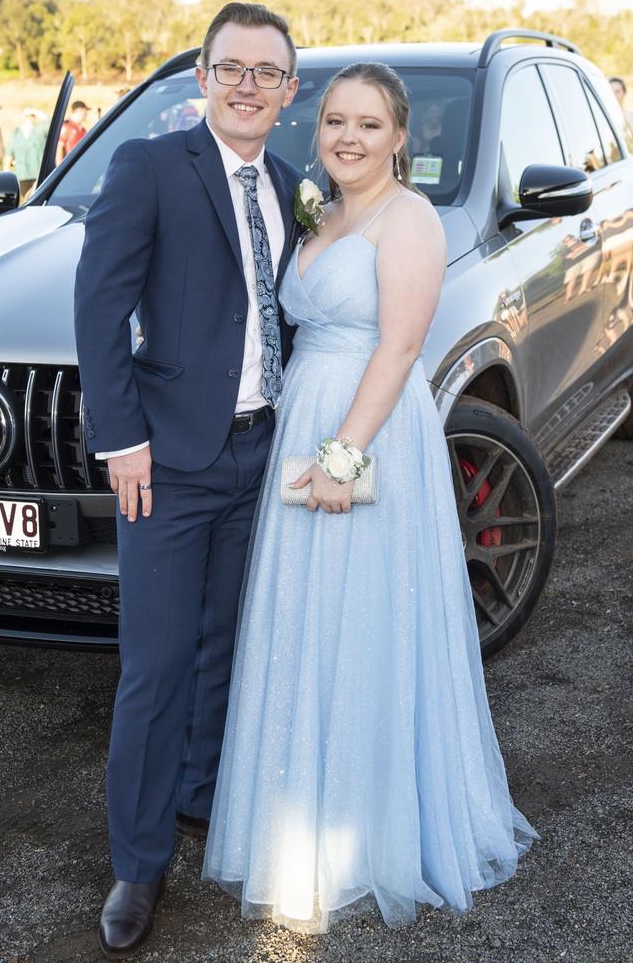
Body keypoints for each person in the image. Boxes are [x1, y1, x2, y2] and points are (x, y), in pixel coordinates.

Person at [202, 61, 540, 933]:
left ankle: (375, 830)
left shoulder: (411, 220)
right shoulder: (323, 211)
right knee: (305, 627)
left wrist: (344, 459)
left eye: (368, 124)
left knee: (365, 623)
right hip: (306, 423)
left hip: (368, 431)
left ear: (400, 137)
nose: (347, 138)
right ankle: (303, 820)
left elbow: (398, 349)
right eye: (334, 123)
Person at [73, 2, 301, 959]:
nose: (249, 84)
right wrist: (120, 438)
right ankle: (138, 859)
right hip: (166, 462)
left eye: (269, 72)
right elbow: (100, 304)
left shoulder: (293, 183)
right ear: (204, 78)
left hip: (261, 452)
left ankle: (201, 796)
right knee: (157, 664)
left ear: (291, 93)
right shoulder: (152, 167)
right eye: (232, 67)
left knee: (226, 647)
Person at [5, 107, 48, 199]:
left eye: (31, 115)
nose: (29, 118)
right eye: (27, 116)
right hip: (22, 174)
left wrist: (36, 111)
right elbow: (9, 153)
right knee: (24, 201)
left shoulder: (39, 130)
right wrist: (6, 172)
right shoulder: (16, 133)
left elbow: (50, 122)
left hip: (38, 173)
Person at [56, 100, 90, 164]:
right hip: (71, 164)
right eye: (85, 111)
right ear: (79, 110)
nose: (86, 114)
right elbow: (59, 148)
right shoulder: (67, 126)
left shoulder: (82, 129)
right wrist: (60, 168)